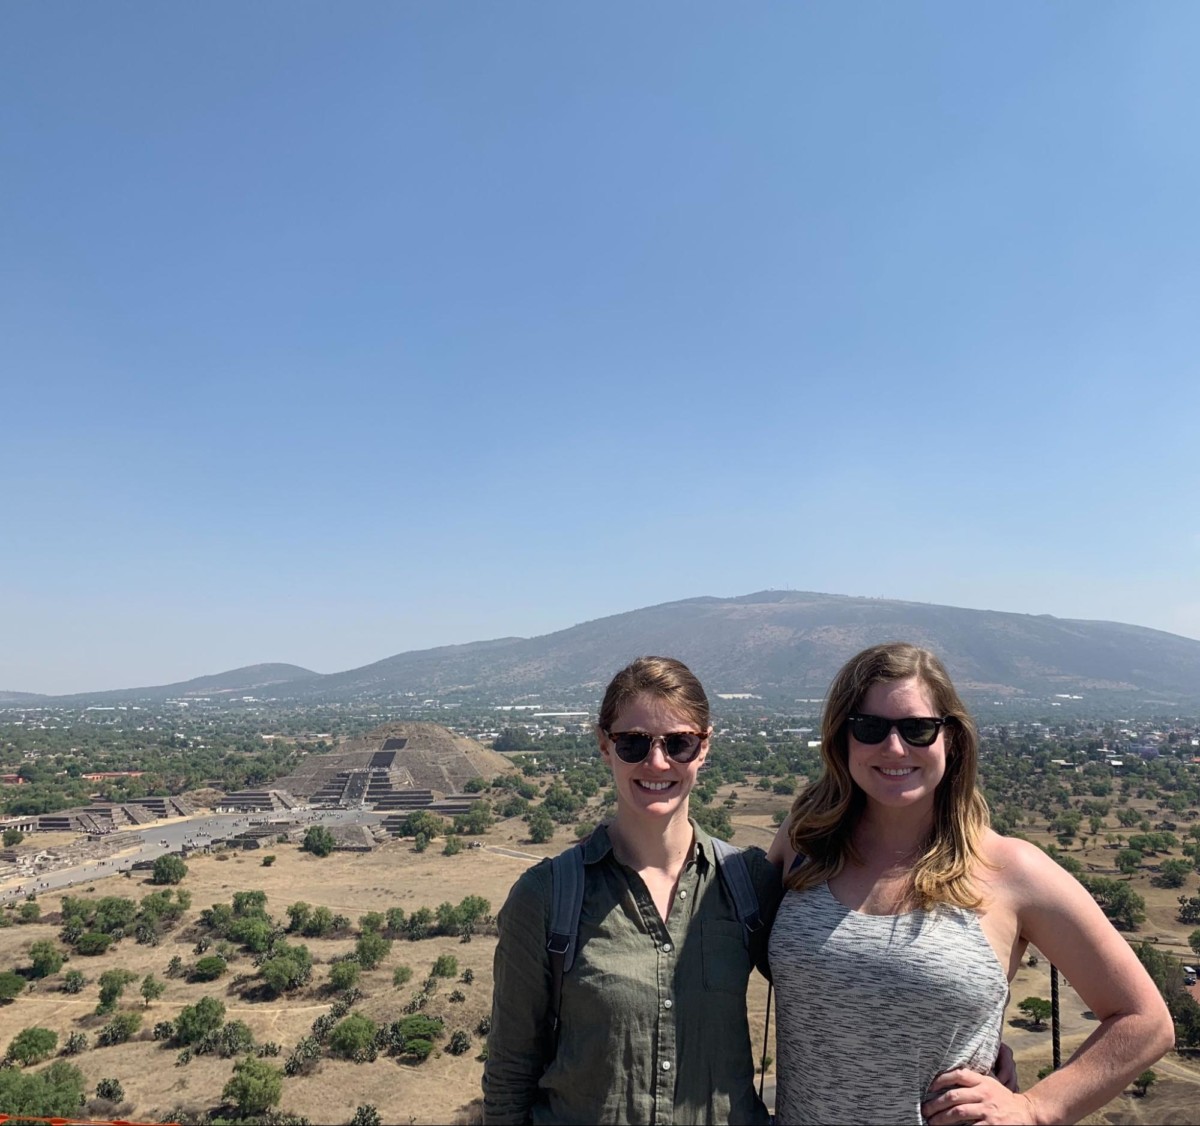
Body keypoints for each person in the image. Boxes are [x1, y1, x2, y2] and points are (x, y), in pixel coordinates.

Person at [767, 642, 1174, 1126]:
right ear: (843, 739)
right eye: (870, 727)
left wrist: (1037, 1107)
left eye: (918, 729)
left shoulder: (1012, 870)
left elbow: (1145, 1020)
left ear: (952, 739)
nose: (894, 748)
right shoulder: (804, 841)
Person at [483, 656, 782, 1125]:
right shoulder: (546, 897)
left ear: (704, 747)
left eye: (679, 743)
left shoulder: (747, 883)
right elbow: (509, 1072)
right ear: (605, 745)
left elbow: (836, 991)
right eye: (634, 743)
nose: (657, 762)